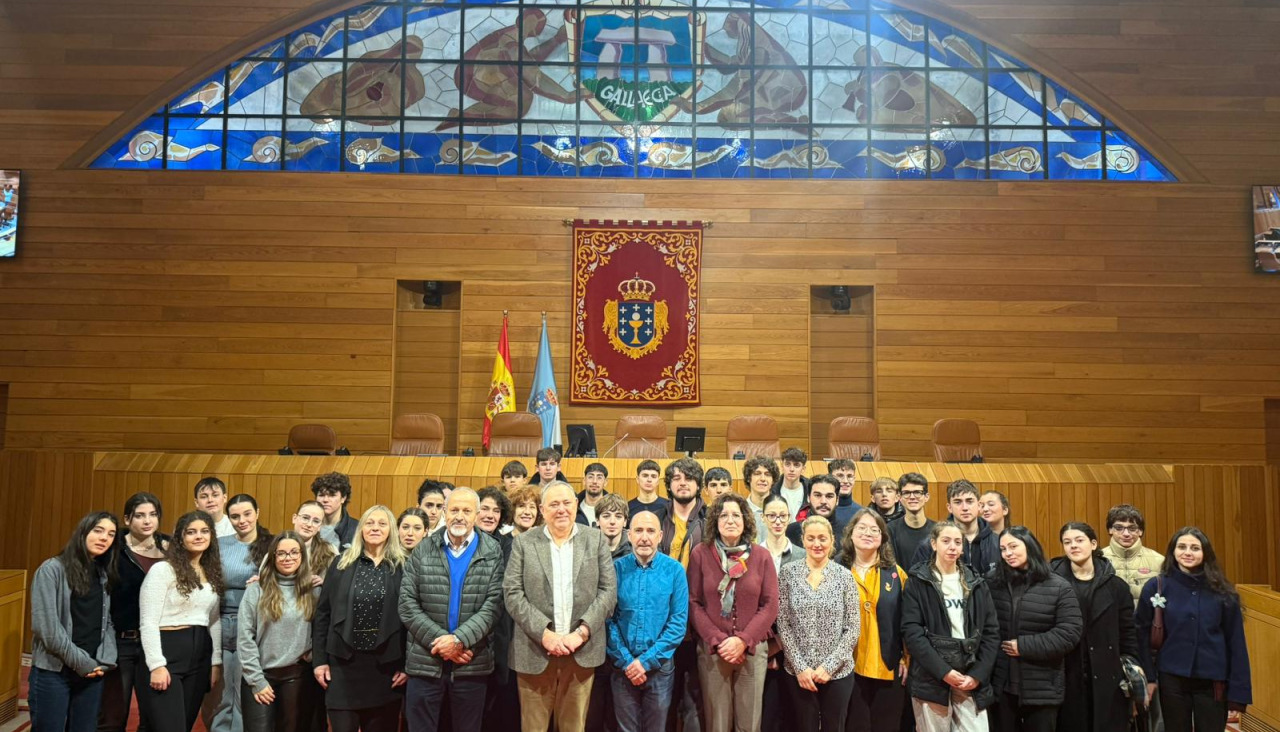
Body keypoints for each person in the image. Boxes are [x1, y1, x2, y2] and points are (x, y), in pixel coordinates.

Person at [503, 480, 617, 732]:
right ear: (542, 510)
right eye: (554, 504)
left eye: (566, 503)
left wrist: (582, 632)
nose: (561, 509)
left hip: (581, 652)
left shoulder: (595, 540)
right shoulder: (524, 543)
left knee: (573, 727)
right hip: (534, 651)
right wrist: (544, 634)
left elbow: (608, 592)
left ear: (576, 505)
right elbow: (512, 594)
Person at [400, 488, 505, 732]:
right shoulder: (423, 549)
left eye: (467, 511)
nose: (459, 516)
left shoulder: (493, 551)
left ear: (477, 515)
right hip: (425, 661)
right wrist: (443, 643)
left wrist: (459, 640)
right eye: (454, 510)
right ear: (444, 512)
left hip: (471, 663)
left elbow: (494, 604)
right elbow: (407, 603)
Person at [1135, 527, 1252, 732]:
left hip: (1212, 679)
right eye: (1182, 547)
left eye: (1195, 548)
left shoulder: (1223, 592)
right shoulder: (1156, 586)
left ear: (1205, 553)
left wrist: (1238, 695)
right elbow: (1141, 635)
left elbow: (1236, 644)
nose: (1188, 552)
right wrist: (1149, 677)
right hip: (1172, 677)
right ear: (1173, 551)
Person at [312, 505, 409, 732]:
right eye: (370, 523)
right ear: (361, 528)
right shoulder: (341, 563)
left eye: (382, 523)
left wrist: (406, 666)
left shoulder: (403, 566)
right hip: (342, 666)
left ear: (391, 530)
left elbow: (410, 619)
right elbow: (323, 614)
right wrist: (319, 661)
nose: (375, 528)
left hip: (386, 669)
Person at [688, 493, 779, 732]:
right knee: (716, 724)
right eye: (723, 515)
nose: (730, 520)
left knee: (749, 725)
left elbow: (770, 604)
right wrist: (719, 641)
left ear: (746, 520)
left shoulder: (761, 556)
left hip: (751, 650)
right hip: (713, 650)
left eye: (736, 515)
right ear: (715, 521)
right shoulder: (700, 553)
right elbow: (693, 602)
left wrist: (743, 640)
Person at [901, 522, 999, 732]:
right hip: (932, 676)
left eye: (957, 542)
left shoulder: (977, 583)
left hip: (969, 674)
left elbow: (991, 634)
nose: (952, 547)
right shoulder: (917, 582)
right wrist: (943, 671)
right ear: (934, 544)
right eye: (946, 541)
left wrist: (978, 675)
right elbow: (913, 633)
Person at [30, 511, 120, 732]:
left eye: (111, 534)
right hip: (54, 672)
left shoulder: (102, 573)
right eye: (98, 531)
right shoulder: (51, 570)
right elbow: (48, 630)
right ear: (82, 532)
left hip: (91, 673)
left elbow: (106, 622)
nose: (104, 538)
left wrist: (105, 659)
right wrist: (83, 663)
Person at [137, 510, 225, 732]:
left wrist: (215, 663)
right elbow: (148, 622)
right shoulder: (162, 570)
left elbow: (213, 621)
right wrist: (156, 665)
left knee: (184, 725)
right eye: (191, 532)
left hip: (200, 656)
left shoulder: (211, 572)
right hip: (167, 652)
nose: (199, 536)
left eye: (205, 531)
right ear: (180, 538)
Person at [988, 527, 1083, 732]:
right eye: (1003, 549)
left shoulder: (1058, 586)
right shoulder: (992, 582)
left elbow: (1069, 633)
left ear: (1029, 547)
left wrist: (1023, 646)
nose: (1008, 553)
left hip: (1042, 688)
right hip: (1001, 687)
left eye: (1013, 546)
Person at [1051, 523, 1138, 732]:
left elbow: (1128, 635)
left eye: (1079, 540)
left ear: (1093, 544)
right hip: (1066, 672)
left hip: (1107, 674)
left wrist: (1133, 671)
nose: (1073, 546)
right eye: (1067, 542)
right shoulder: (1051, 583)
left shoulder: (1116, 586)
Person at [606, 511, 689, 732]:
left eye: (651, 531)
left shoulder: (675, 571)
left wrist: (645, 662)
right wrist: (626, 661)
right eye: (639, 531)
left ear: (660, 536)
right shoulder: (614, 570)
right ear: (629, 535)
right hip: (622, 669)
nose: (644, 537)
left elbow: (678, 623)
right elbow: (607, 620)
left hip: (659, 669)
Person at [776, 516, 860, 732]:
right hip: (798, 673)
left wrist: (828, 667)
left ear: (832, 540)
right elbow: (783, 624)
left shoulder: (845, 576)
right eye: (811, 538)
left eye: (822, 538)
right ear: (802, 540)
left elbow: (852, 628)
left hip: (837, 673)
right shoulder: (787, 573)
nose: (817, 544)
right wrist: (801, 668)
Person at [98, 493, 168, 732]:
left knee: (153, 718)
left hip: (157, 643)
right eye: (139, 516)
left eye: (153, 515)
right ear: (127, 519)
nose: (147, 521)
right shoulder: (112, 547)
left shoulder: (169, 548)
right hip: (121, 642)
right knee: (112, 717)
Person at [238, 531, 320, 732]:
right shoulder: (256, 589)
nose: (288, 558)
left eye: (294, 552)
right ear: (272, 557)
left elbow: (321, 634)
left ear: (302, 555)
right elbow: (245, 637)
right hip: (260, 675)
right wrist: (257, 681)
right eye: (281, 553)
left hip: (297, 677)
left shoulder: (314, 591)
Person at [203, 494, 272, 732]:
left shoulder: (271, 545)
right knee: (219, 692)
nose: (241, 520)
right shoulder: (219, 544)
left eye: (247, 514)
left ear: (257, 513)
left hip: (255, 626)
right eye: (234, 516)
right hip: (220, 622)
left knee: (247, 690)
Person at [840, 509, 908, 732]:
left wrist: (906, 658)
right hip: (846, 667)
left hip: (887, 666)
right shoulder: (836, 570)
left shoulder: (897, 574)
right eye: (862, 528)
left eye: (874, 529)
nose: (868, 533)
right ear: (850, 533)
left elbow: (907, 621)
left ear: (882, 537)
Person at [473, 488, 518, 732]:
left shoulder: (508, 545)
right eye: (485, 508)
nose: (490, 515)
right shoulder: (463, 542)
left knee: (499, 701)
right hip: (468, 633)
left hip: (500, 630)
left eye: (496, 510)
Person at [759, 494, 798, 732]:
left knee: (792, 715)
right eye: (771, 515)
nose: (777, 521)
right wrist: (768, 646)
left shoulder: (802, 555)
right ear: (763, 518)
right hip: (759, 646)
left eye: (782, 516)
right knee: (765, 714)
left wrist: (781, 644)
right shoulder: (750, 554)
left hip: (794, 648)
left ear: (789, 518)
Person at [910, 480, 999, 576]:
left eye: (969, 501)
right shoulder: (930, 545)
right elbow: (916, 582)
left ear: (979, 505)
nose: (965, 507)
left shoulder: (998, 542)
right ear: (949, 507)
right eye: (958, 502)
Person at [1099, 504, 1164, 605]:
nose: (1126, 534)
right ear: (1110, 529)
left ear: (1140, 531)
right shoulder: (1097, 559)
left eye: (1132, 528)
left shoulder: (1159, 561)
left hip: (1145, 620)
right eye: (1119, 528)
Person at [660, 457, 706, 566]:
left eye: (689, 479)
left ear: (698, 485)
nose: (682, 483)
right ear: (669, 486)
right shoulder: (658, 518)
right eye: (676, 478)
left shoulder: (709, 519)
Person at [784, 475, 849, 549]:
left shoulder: (847, 533)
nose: (823, 501)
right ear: (808, 498)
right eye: (818, 495)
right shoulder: (791, 532)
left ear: (837, 500)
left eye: (829, 496)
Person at [888, 473, 933, 568]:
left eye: (917, 492)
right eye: (906, 493)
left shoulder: (938, 531)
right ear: (899, 497)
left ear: (926, 497)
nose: (912, 497)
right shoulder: (890, 530)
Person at [292, 500, 338, 581]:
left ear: (320, 526)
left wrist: (325, 584)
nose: (309, 524)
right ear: (294, 518)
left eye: (316, 521)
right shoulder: (278, 546)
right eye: (305, 518)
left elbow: (339, 583)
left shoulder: (329, 551)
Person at [311, 472, 358, 551]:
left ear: (343, 498)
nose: (325, 500)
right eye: (321, 495)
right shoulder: (308, 525)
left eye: (332, 495)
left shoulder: (356, 528)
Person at [744, 456, 781, 539]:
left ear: (773, 480)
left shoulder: (782, 509)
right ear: (749, 478)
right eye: (757, 474)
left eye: (767, 474)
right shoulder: (741, 510)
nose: (763, 479)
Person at [629, 460, 670, 527]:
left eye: (653, 476)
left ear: (658, 481)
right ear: (637, 479)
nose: (649, 480)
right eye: (645, 476)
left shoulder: (668, 506)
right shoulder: (628, 507)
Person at [826, 459, 864, 530]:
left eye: (849, 476)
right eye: (840, 476)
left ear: (854, 479)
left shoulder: (862, 513)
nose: (845, 481)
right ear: (830, 478)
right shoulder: (821, 510)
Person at [774, 447, 810, 520]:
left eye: (796, 465)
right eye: (787, 464)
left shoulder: (811, 489)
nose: (791, 469)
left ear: (803, 469)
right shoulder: (772, 489)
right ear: (782, 466)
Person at [596, 494, 632, 559]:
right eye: (606, 516)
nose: (612, 521)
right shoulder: (586, 548)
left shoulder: (634, 550)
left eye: (618, 516)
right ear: (597, 520)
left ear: (625, 521)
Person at [577, 462, 610, 528]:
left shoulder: (613, 508)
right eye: (590, 477)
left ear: (605, 482)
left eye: (599, 478)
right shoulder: (574, 507)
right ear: (584, 481)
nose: (594, 481)